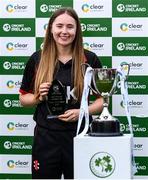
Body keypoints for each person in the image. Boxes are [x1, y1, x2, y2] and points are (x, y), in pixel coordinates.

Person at [19, 7, 103, 179]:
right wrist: (37, 97)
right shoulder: (37, 59)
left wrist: (82, 112)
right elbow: (23, 99)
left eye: (70, 27)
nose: (64, 31)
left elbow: (102, 100)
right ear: (51, 29)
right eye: (59, 26)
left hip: (80, 136)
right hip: (46, 138)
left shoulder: (90, 59)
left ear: (77, 30)